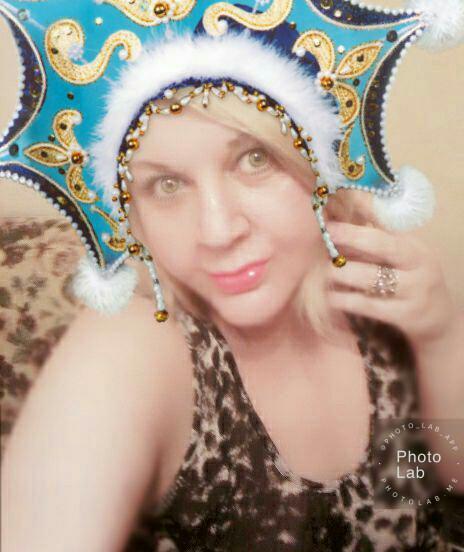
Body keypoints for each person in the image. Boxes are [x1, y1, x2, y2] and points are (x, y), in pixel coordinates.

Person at [1, 0, 463, 551]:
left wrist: (441, 338)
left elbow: (446, 479)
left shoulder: (374, 285)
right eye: (166, 185)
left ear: (315, 163)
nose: (218, 232)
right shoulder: (129, 353)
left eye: (254, 159)